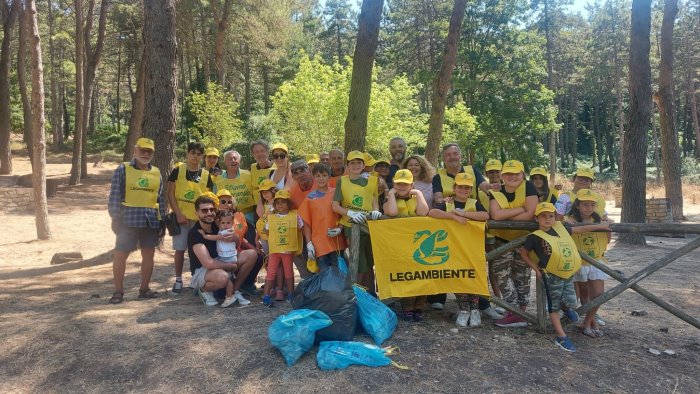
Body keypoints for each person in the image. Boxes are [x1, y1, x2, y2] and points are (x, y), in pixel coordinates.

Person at [520, 202, 610, 352]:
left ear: (555, 217)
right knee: (553, 305)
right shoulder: (534, 237)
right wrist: (536, 269)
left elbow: (581, 229)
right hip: (550, 275)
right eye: (543, 216)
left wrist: (601, 226)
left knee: (571, 301)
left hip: (567, 272)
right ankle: (561, 337)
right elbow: (523, 252)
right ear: (537, 219)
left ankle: (566, 309)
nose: (547, 219)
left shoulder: (562, 230)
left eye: (550, 216)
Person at [428, 173, 503, 326]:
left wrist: (465, 214)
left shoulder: (474, 202)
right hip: (453, 249)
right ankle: (464, 309)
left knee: (474, 278)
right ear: (454, 188)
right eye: (460, 186)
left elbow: (485, 215)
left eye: (467, 187)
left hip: (472, 249)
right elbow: (432, 212)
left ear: (470, 189)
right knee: (458, 278)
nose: (463, 189)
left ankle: (475, 310)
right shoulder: (447, 203)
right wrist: (453, 216)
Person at [108, 137, 166, 304]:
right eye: (142, 150)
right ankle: (118, 292)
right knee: (120, 254)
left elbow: (160, 198)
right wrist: (115, 217)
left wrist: (162, 219)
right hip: (127, 220)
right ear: (135, 150)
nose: (145, 154)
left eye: (149, 151)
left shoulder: (156, 172)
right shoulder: (123, 169)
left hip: (150, 221)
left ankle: (144, 289)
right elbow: (115, 194)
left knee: (149, 254)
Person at [488, 160, 538, 328]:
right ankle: (513, 309)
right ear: (502, 176)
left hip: (524, 240)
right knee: (501, 273)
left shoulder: (529, 187)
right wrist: (520, 209)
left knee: (522, 274)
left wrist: (506, 216)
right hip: (502, 241)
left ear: (523, 175)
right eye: (508, 174)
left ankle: (522, 312)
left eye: (516, 173)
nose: (512, 177)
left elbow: (531, 213)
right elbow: (495, 215)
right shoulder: (495, 191)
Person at [188, 196, 257, 306]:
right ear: (197, 213)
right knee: (223, 277)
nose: (209, 213)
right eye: (204, 210)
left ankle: (233, 291)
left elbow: (235, 244)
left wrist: (235, 238)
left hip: (222, 260)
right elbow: (208, 263)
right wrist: (230, 266)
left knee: (251, 254)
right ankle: (203, 290)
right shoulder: (195, 233)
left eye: (212, 210)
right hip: (202, 270)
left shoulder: (219, 224)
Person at [332, 151, 382, 291]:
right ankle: (355, 294)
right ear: (347, 165)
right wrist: (350, 213)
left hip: (370, 226)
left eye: (359, 162)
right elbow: (335, 206)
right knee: (358, 262)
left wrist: (376, 211)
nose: (355, 165)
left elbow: (375, 202)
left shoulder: (372, 181)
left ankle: (370, 294)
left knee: (369, 261)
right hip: (351, 226)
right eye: (352, 163)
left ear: (363, 165)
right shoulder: (342, 181)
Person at [167, 141, 213, 294]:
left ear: (202, 157)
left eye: (199, 154)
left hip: (198, 220)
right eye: (192, 152)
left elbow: (208, 199)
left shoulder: (206, 175)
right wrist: (178, 213)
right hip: (181, 219)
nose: (195, 156)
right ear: (187, 153)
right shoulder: (177, 171)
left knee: (199, 250)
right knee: (180, 249)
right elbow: (170, 194)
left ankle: (198, 279)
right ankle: (178, 280)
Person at [383, 169, 429, 322]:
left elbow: (423, 213)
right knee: (405, 276)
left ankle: (419, 307)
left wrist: (419, 194)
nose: (402, 186)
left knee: (422, 275)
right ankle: (407, 308)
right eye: (398, 183)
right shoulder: (390, 199)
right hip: (400, 246)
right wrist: (391, 194)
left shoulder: (417, 198)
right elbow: (392, 212)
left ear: (412, 185)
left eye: (406, 184)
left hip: (418, 245)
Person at [566, 189, 611, 338]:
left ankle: (588, 321)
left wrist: (605, 226)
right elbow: (573, 231)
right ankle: (591, 323)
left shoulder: (600, 219)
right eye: (585, 205)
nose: (589, 208)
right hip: (580, 262)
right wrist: (600, 227)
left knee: (598, 294)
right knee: (584, 294)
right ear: (577, 205)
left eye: (592, 205)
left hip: (596, 260)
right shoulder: (569, 220)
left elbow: (608, 239)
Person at [299, 163, 347, 271]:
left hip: (336, 240)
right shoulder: (310, 198)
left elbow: (344, 214)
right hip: (319, 242)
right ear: (314, 177)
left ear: (329, 176)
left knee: (340, 271)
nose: (321, 179)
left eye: (324, 175)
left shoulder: (336, 193)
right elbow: (307, 222)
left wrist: (340, 229)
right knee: (325, 273)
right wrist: (309, 243)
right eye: (318, 176)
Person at [197, 210, 248, 308]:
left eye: (228, 223)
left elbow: (215, 237)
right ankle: (230, 295)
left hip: (228, 259)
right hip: (226, 257)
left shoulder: (228, 232)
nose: (225, 225)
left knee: (227, 278)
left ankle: (230, 296)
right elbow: (218, 222)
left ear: (232, 223)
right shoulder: (225, 228)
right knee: (228, 278)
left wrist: (204, 235)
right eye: (223, 223)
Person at [262, 190, 304, 306]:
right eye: (277, 202)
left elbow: (302, 227)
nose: (280, 205)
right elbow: (266, 230)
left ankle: (291, 293)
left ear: (289, 204)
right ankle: (266, 296)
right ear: (274, 205)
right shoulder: (272, 217)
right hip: (274, 251)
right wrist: (267, 217)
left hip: (288, 250)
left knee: (289, 272)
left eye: (283, 202)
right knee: (271, 273)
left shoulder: (295, 215)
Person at [214, 150, 255, 225]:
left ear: (239, 161)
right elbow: (214, 199)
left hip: (248, 216)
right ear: (225, 162)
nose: (233, 161)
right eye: (230, 159)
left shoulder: (249, 174)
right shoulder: (217, 178)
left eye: (235, 158)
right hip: (226, 218)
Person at [250, 140, 275, 205]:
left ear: (268, 152)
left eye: (262, 151)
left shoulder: (276, 167)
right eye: (256, 152)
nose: (260, 154)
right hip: (257, 206)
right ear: (253, 154)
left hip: (274, 206)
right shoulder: (252, 168)